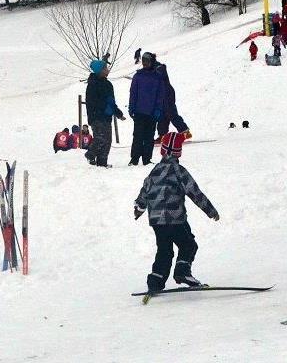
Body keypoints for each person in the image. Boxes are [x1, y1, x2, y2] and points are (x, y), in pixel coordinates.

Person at [134, 132, 219, 292]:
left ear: (162, 151)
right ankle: (182, 272)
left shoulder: (154, 171)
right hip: (174, 218)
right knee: (188, 244)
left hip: (157, 220)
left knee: (164, 250)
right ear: (179, 152)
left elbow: (144, 190)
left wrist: (139, 207)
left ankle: (156, 280)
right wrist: (210, 210)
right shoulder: (179, 171)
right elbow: (195, 192)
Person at [128, 52, 169, 166]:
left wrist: (158, 109)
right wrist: (131, 107)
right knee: (137, 136)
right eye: (144, 61)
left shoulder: (157, 77)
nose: (145, 63)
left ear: (152, 62)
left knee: (149, 137)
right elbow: (133, 93)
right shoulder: (138, 76)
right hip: (139, 111)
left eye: (147, 61)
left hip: (152, 113)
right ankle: (134, 159)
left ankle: (147, 159)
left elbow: (160, 95)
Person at [85, 60, 125, 167]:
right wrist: (105, 108)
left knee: (107, 140)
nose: (107, 70)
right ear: (100, 71)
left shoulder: (107, 84)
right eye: (105, 68)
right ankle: (91, 153)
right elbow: (94, 101)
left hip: (106, 116)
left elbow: (111, 102)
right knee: (100, 137)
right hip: (97, 116)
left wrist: (117, 113)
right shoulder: (93, 84)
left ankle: (102, 163)